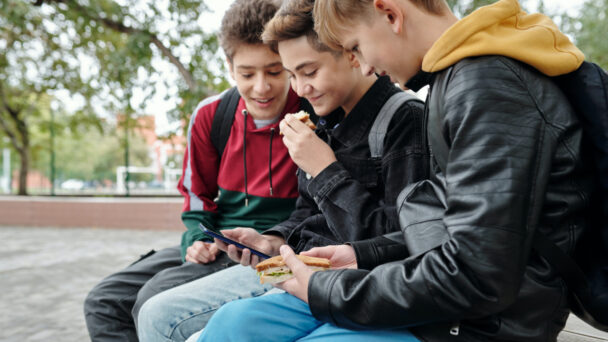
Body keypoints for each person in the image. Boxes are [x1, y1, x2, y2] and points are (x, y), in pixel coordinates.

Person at [198, 0, 593, 341]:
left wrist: (330, 290)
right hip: (436, 297)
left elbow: (477, 276)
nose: (364, 63)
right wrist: (359, 256)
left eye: (355, 46)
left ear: (390, 14)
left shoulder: (486, 89)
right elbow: (452, 229)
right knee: (236, 326)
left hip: (476, 325)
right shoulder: (457, 82)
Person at [136, 0, 430, 340]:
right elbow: (307, 217)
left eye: (308, 72)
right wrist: (271, 241)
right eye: (292, 75)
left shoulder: (403, 120)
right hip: (303, 275)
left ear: (352, 53)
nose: (299, 90)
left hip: (358, 288)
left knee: (168, 319)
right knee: (200, 319)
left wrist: (325, 170)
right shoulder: (322, 120)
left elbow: (404, 240)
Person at [83, 1, 303, 341]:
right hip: (218, 242)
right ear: (230, 67)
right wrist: (199, 240)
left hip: (271, 247)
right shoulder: (211, 115)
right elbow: (196, 197)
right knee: (104, 302)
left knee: (151, 303)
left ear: (289, 64)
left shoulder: (312, 112)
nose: (262, 87)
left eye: (274, 71)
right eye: (247, 74)